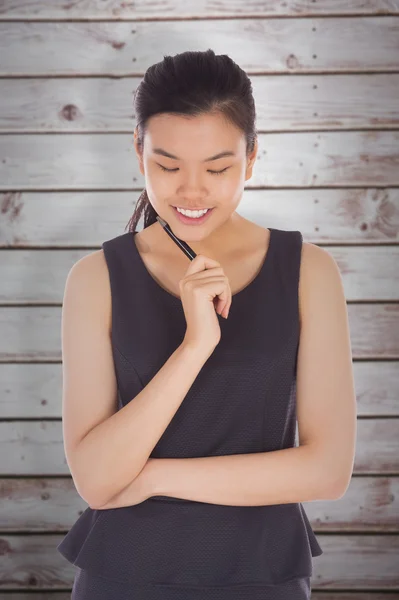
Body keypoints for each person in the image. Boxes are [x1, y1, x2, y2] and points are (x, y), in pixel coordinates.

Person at [57, 49, 357, 599]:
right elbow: (97, 479)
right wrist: (195, 346)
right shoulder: (95, 278)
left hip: (262, 575)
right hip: (122, 577)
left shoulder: (308, 272)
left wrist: (152, 478)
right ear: (138, 150)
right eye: (167, 166)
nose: (191, 193)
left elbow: (328, 469)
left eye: (217, 168)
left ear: (250, 158)